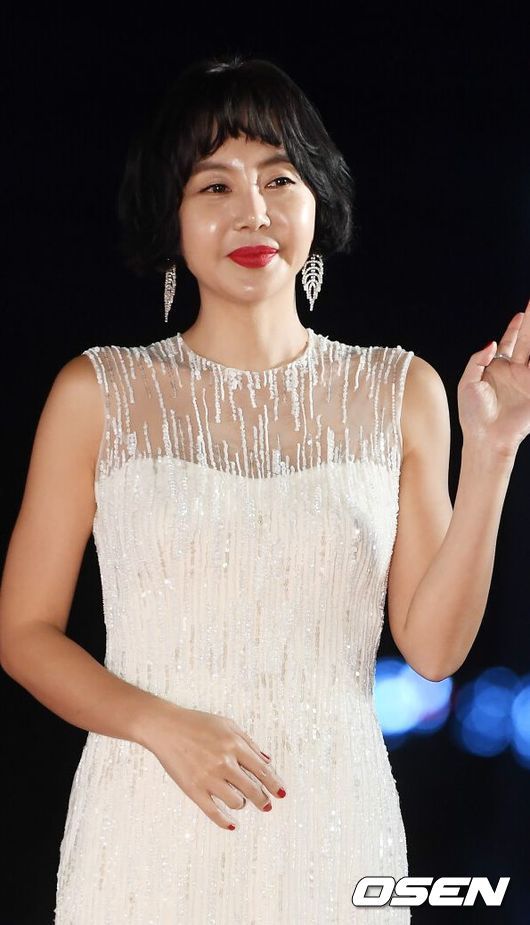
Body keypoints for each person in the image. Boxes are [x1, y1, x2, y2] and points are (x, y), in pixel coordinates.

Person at [0, 52, 529, 925]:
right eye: (215, 185)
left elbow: (434, 650)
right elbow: (24, 633)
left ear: (318, 199)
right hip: (145, 826)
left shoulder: (399, 390)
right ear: (171, 217)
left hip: (334, 830)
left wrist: (494, 450)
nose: (254, 210)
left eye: (279, 178)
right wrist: (161, 724)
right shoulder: (99, 393)